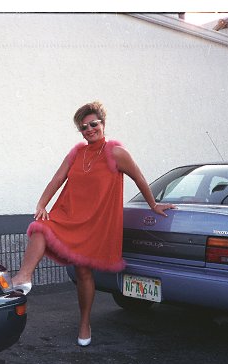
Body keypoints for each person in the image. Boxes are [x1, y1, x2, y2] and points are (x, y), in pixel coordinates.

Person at [11, 101, 174, 347]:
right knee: (40, 228)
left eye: (93, 124)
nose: (89, 129)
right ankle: (24, 278)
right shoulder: (76, 153)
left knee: (83, 271)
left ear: (103, 123)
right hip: (69, 215)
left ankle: (84, 322)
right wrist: (42, 204)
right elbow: (57, 178)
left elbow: (139, 178)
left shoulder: (116, 153)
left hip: (95, 222)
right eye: (83, 127)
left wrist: (153, 205)